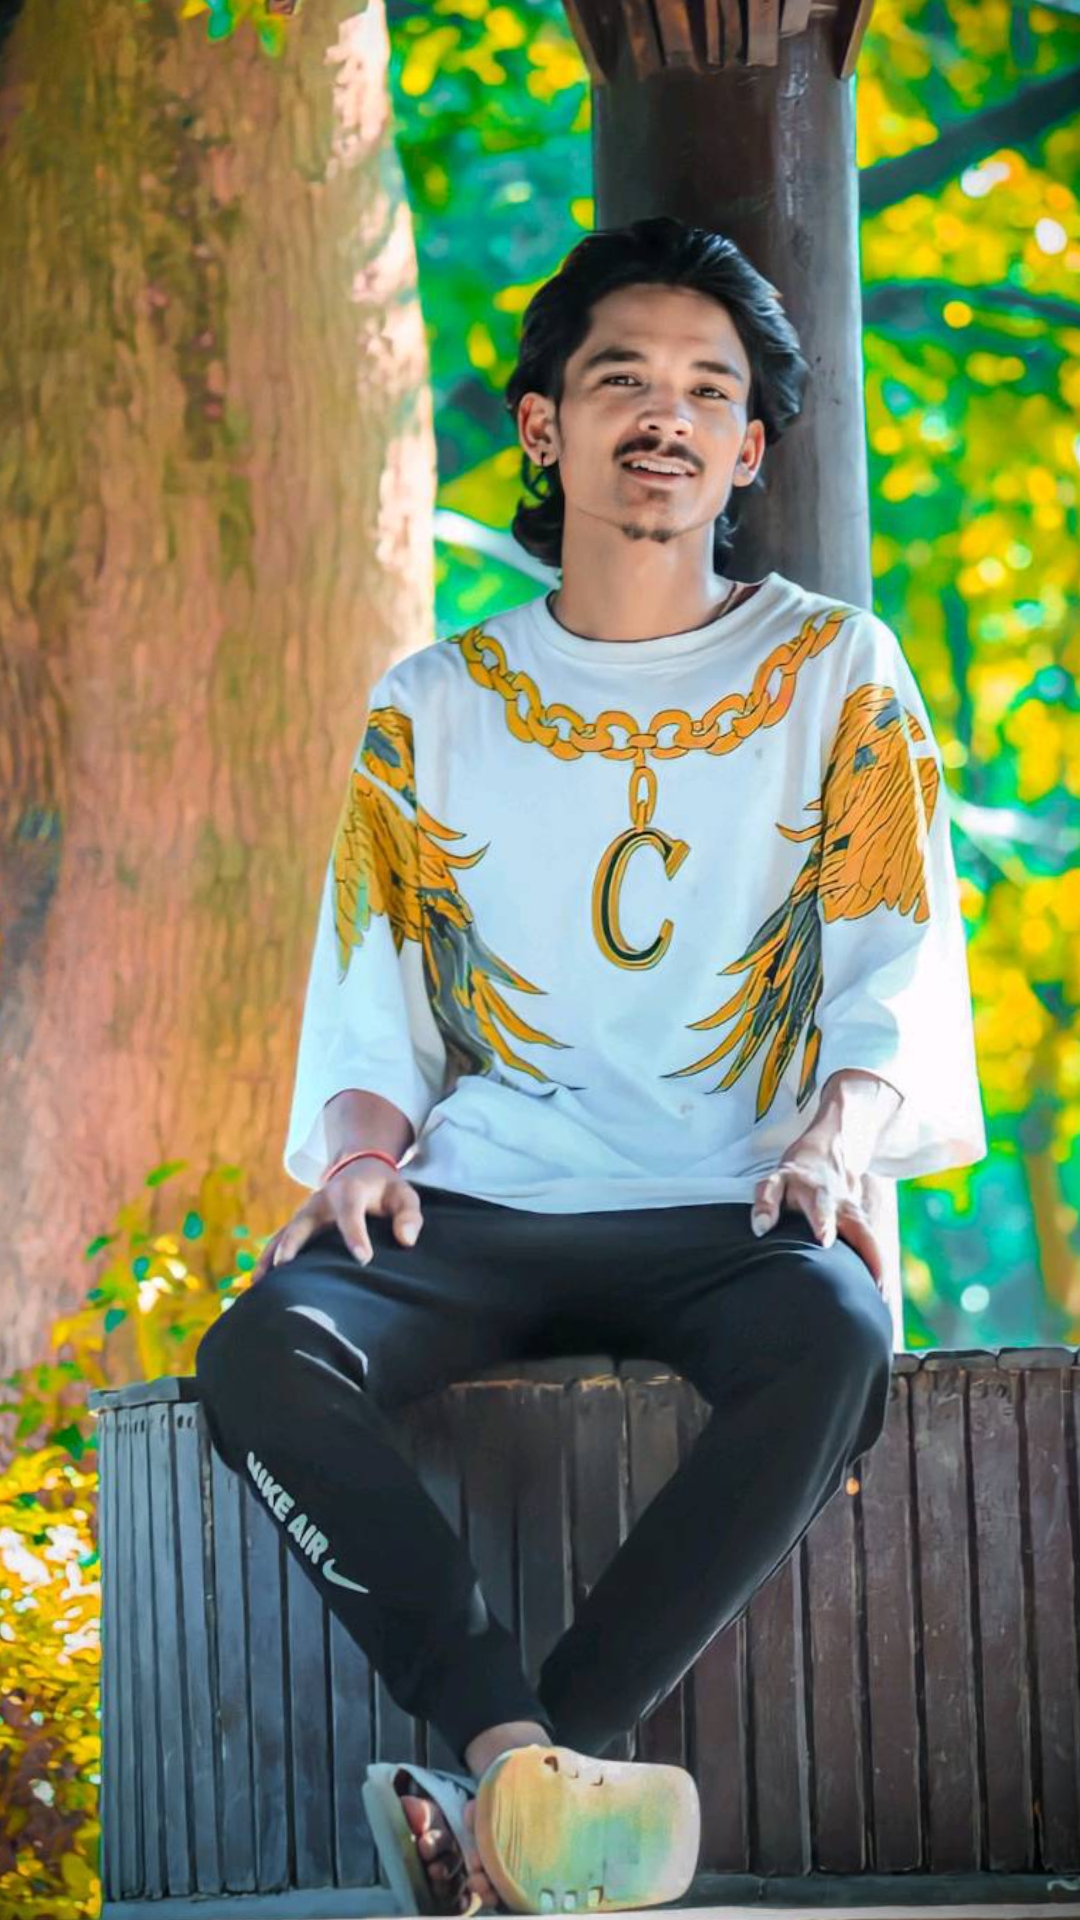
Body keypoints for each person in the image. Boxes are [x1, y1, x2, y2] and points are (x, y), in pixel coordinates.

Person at [194, 215, 986, 1915]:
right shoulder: (437, 697)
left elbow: (892, 966)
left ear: (750, 448)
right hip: (484, 1201)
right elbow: (375, 1003)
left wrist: (837, 1147)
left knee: (838, 1334)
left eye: (711, 389)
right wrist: (357, 1158)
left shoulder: (837, 670)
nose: (668, 416)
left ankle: (519, 1769)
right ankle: (518, 1758)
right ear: (545, 425)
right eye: (624, 378)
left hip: (732, 1203)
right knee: (261, 1351)